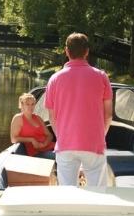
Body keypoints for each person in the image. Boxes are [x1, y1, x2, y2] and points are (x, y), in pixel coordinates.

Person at [44, 33, 114, 187]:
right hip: (94, 143)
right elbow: (108, 115)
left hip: (65, 144)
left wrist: (62, 137)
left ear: (66, 51)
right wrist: (99, 137)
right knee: (98, 192)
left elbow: (52, 117)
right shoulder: (101, 77)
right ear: (87, 51)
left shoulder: (54, 79)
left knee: (67, 193)